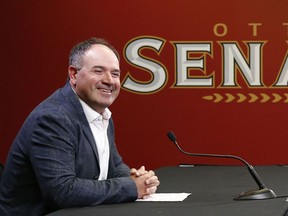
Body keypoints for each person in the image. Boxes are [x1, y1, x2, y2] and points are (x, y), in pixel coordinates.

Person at [0, 37, 160, 215]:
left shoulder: (100, 113)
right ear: (73, 74)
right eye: (98, 71)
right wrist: (129, 187)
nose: (109, 80)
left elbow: (114, 165)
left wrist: (140, 180)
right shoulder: (54, 118)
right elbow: (62, 192)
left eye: (115, 74)